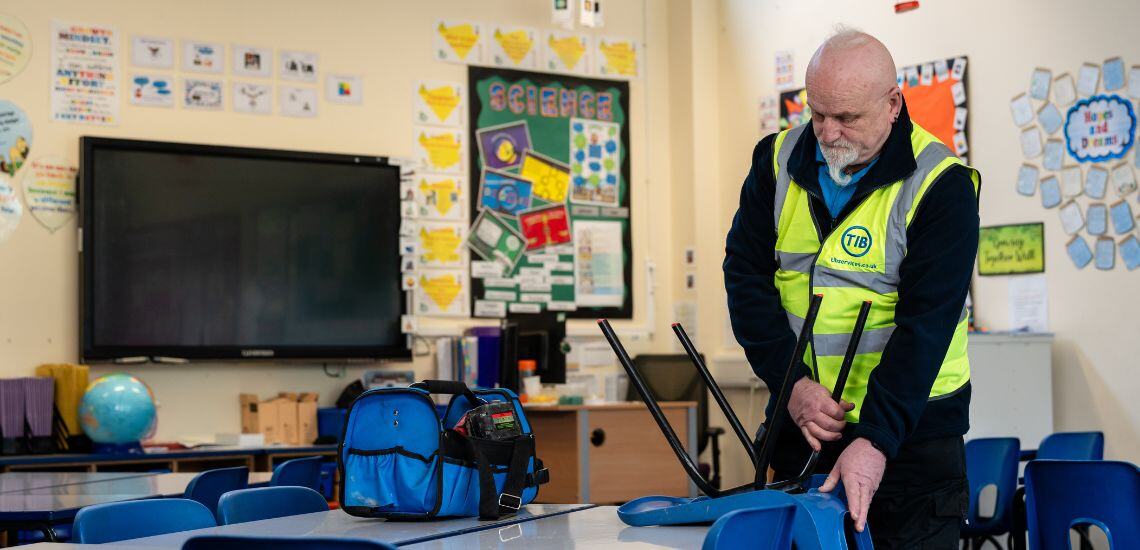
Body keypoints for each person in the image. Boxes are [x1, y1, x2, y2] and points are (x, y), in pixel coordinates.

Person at [724, 28, 980, 548]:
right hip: (805, 431)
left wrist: (878, 438)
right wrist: (791, 384)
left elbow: (925, 328)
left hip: (912, 443)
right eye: (817, 113)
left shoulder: (941, 185)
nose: (827, 132)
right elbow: (745, 279)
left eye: (847, 118)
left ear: (892, 104)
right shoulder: (775, 161)